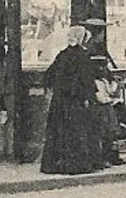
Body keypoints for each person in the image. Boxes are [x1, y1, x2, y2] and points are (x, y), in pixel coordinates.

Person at [39, 26, 103, 175]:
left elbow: (48, 76)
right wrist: (89, 97)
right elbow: (87, 81)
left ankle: (54, 165)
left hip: (60, 101)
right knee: (77, 132)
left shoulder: (62, 55)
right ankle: (76, 166)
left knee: (58, 131)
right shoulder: (83, 56)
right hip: (76, 101)